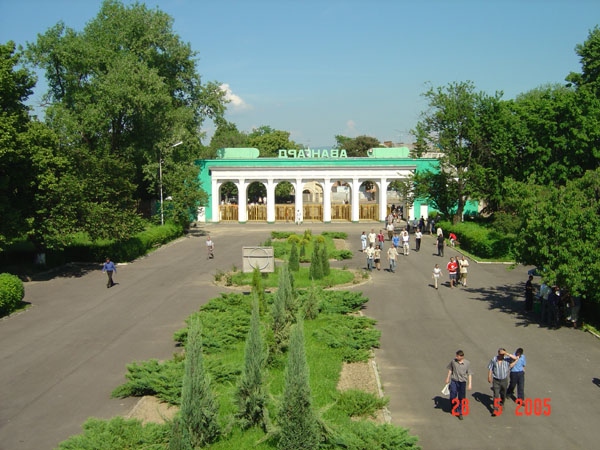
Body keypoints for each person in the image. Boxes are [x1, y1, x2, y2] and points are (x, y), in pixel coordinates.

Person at [487, 348, 518, 416]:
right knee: (496, 394)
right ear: (498, 353)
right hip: (496, 380)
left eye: (502, 354)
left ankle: (501, 403)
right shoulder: (494, 359)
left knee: (503, 393)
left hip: (504, 380)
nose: (501, 355)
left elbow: (515, 358)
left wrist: (506, 353)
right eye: (500, 354)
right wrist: (489, 376)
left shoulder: (507, 359)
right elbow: (490, 368)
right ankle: (495, 409)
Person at [445, 350, 472, 420]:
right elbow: (450, 369)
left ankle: (460, 412)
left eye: (457, 356)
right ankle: (454, 407)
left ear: (462, 356)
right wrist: (448, 378)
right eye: (456, 356)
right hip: (454, 381)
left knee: (461, 398)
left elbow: (469, 374)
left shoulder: (467, 363)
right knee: (452, 395)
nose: (456, 357)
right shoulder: (453, 362)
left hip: (462, 382)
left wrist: (470, 384)